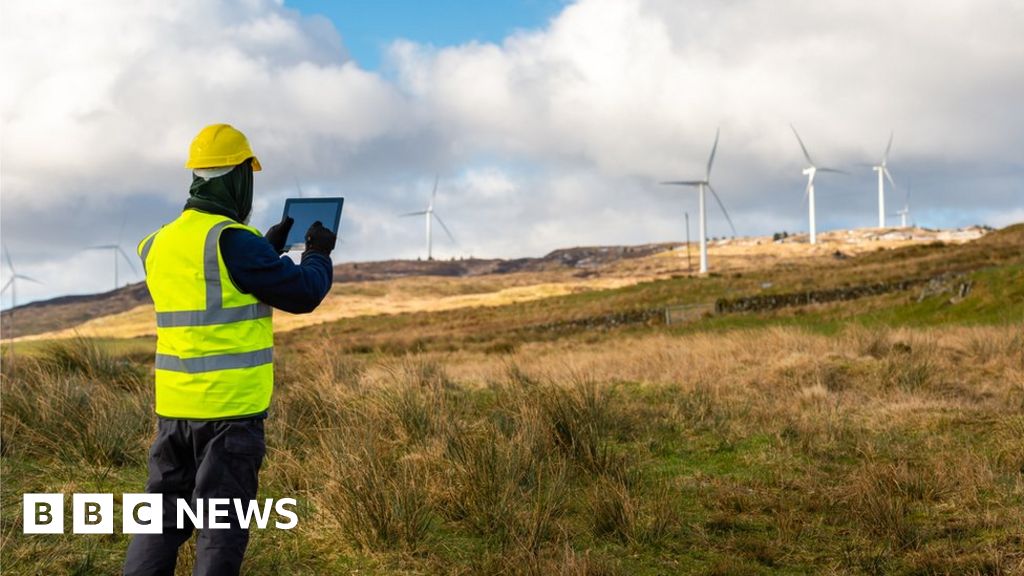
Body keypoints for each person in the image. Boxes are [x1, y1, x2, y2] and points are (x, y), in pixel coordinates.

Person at [123, 124, 335, 576]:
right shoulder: (233, 241)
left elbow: (216, 284)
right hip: (230, 415)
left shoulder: (158, 243)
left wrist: (266, 247)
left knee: (160, 522)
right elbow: (302, 293)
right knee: (220, 529)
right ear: (240, 176)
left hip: (174, 411)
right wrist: (317, 253)